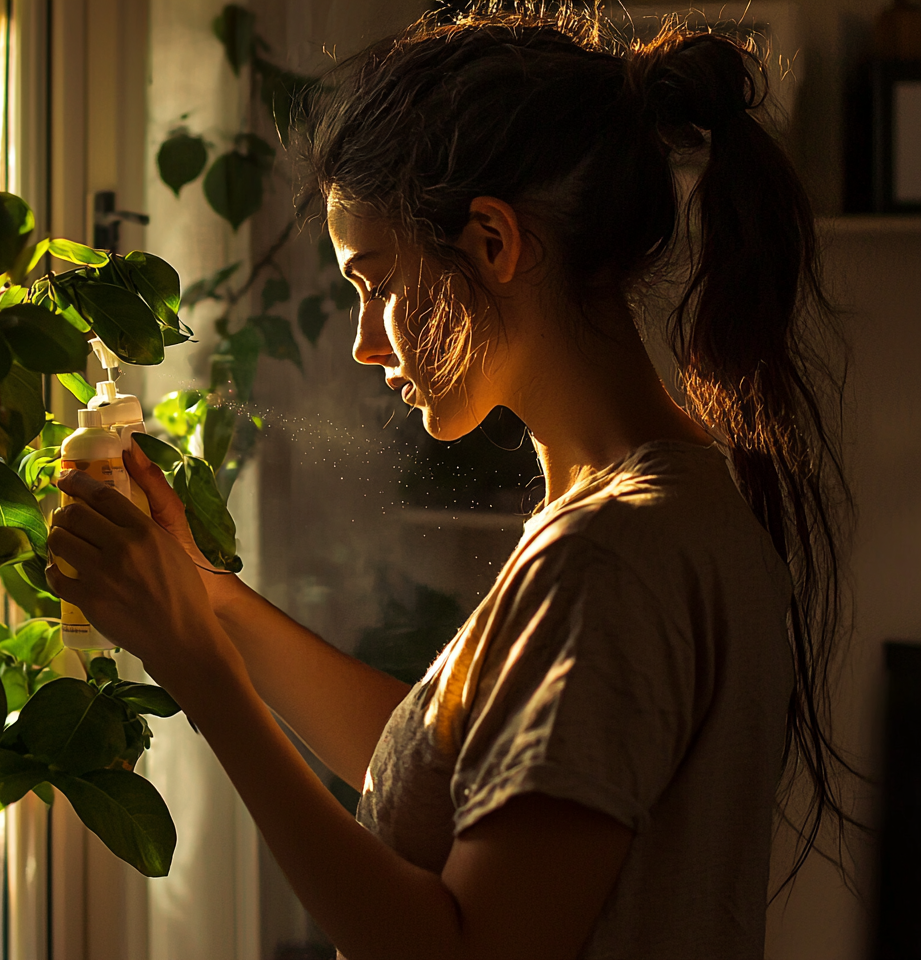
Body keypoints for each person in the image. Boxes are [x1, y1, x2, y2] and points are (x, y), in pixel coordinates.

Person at [46, 8, 855, 959]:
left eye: (374, 280)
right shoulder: (658, 509)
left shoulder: (611, 558)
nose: (364, 341)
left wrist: (199, 672)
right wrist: (209, 600)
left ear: (494, 244)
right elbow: (451, 772)